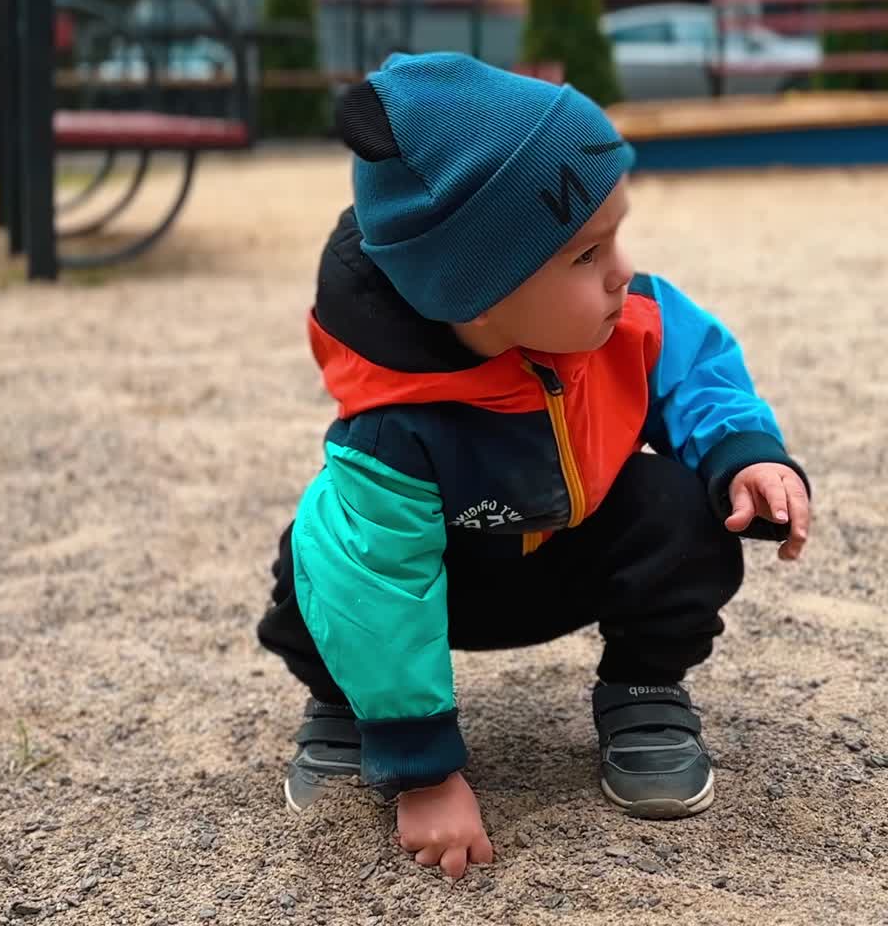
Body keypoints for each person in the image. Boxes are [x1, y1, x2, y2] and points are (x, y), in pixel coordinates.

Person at [255, 52, 811, 880]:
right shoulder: (397, 422)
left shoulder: (623, 318)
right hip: (442, 589)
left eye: (616, 235)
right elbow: (378, 590)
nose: (622, 272)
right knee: (322, 563)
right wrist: (425, 773)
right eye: (587, 255)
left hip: (568, 552)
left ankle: (644, 694)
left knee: (684, 513)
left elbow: (699, 369)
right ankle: (356, 709)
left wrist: (748, 456)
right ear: (477, 294)